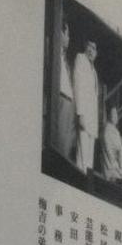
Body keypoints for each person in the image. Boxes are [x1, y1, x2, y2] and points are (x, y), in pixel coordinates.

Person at [71, 37, 100, 176]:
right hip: (84, 117)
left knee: (89, 163)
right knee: (81, 160)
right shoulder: (80, 59)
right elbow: (78, 87)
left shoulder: (94, 71)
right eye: (89, 46)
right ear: (85, 47)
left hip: (92, 122)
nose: (91, 50)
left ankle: (86, 184)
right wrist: (80, 113)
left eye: (94, 48)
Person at [55, 20, 76, 162]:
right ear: (61, 34)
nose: (68, 38)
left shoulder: (65, 58)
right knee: (61, 140)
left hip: (69, 101)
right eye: (67, 34)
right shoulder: (55, 52)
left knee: (67, 143)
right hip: (61, 98)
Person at [100, 105, 122, 184]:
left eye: (116, 114)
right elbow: (110, 154)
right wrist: (119, 170)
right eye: (113, 114)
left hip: (118, 167)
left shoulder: (116, 132)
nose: (115, 116)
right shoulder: (106, 130)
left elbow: (121, 150)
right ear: (109, 115)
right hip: (110, 167)